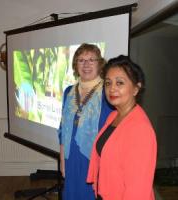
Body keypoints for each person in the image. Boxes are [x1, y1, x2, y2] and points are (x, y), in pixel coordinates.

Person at [87, 55, 157, 200]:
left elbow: (137, 190)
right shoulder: (113, 116)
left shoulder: (140, 129)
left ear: (136, 89)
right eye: (108, 83)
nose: (112, 88)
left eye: (120, 83)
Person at [58, 43, 113, 200]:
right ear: (76, 65)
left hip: (95, 159)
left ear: (99, 64)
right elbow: (62, 130)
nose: (86, 64)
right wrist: (62, 161)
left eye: (91, 60)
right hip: (71, 158)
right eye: (81, 60)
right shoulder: (69, 92)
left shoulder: (108, 92)